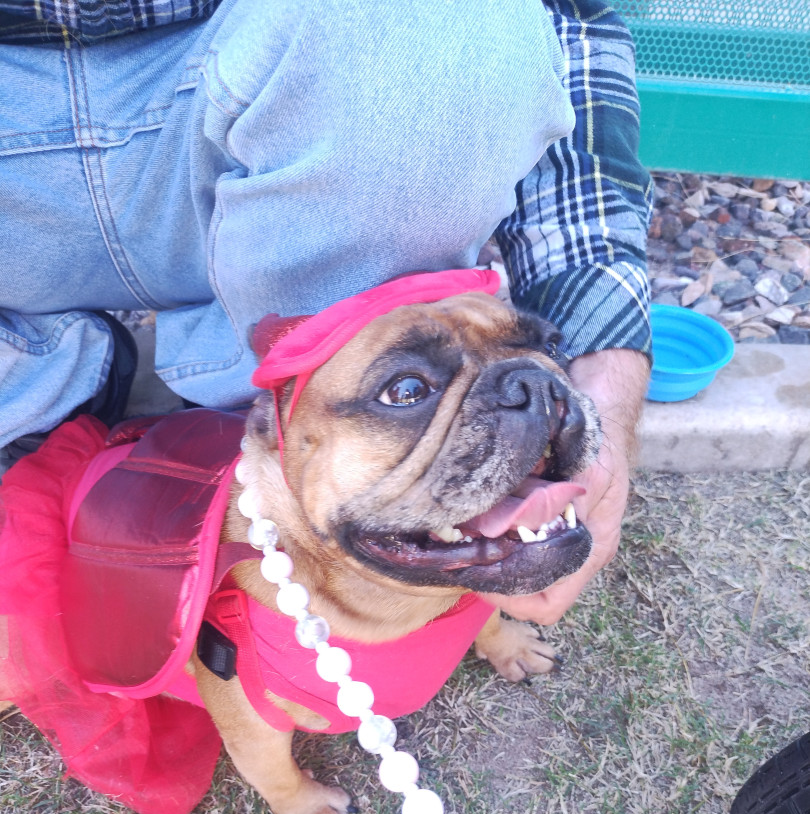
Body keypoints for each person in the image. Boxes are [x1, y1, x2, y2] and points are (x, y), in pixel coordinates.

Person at [0, 0, 652, 625]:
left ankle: (243, 422)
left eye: (541, 351)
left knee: (445, 20)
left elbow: (564, 28)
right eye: (408, 389)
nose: (529, 393)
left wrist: (604, 373)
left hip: (260, 70)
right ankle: (42, 383)